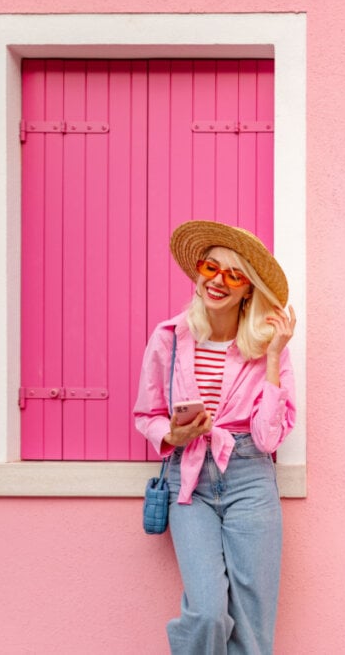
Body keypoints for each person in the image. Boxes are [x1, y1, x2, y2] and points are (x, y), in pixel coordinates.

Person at [134, 220, 297, 654]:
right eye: (211, 268)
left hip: (249, 478)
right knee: (207, 611)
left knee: (253, 621)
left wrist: (276, 355)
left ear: (249, 290)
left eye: (234, 274)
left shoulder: (266, 350)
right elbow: (146, 413)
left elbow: (267, 438)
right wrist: (173, 432)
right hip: (190, 483)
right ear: (198, 273)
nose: (218, 281)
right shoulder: (168, 338)